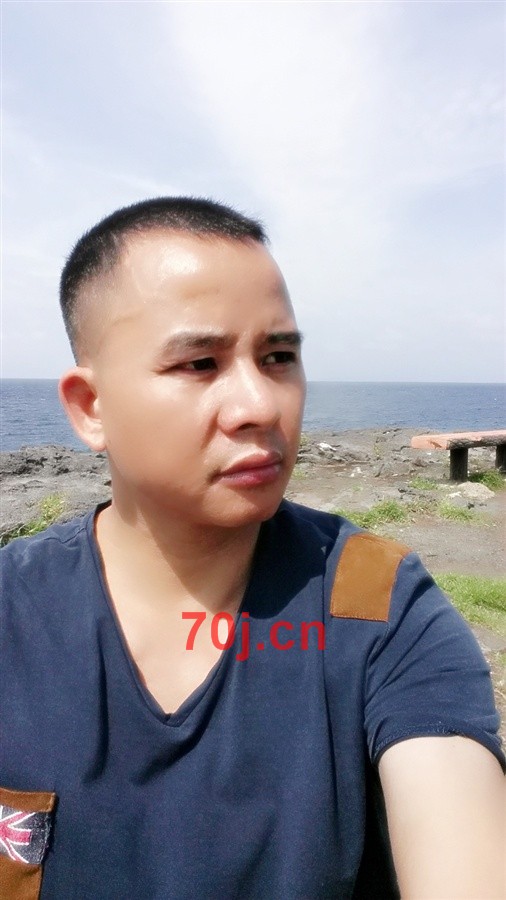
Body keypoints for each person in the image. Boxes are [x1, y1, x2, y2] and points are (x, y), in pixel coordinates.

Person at [1, 197, 504, 900]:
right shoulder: (13, 612)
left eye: (279, 358)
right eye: (200, 363)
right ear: (91, 407)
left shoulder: (376, 604)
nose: (260, 406)